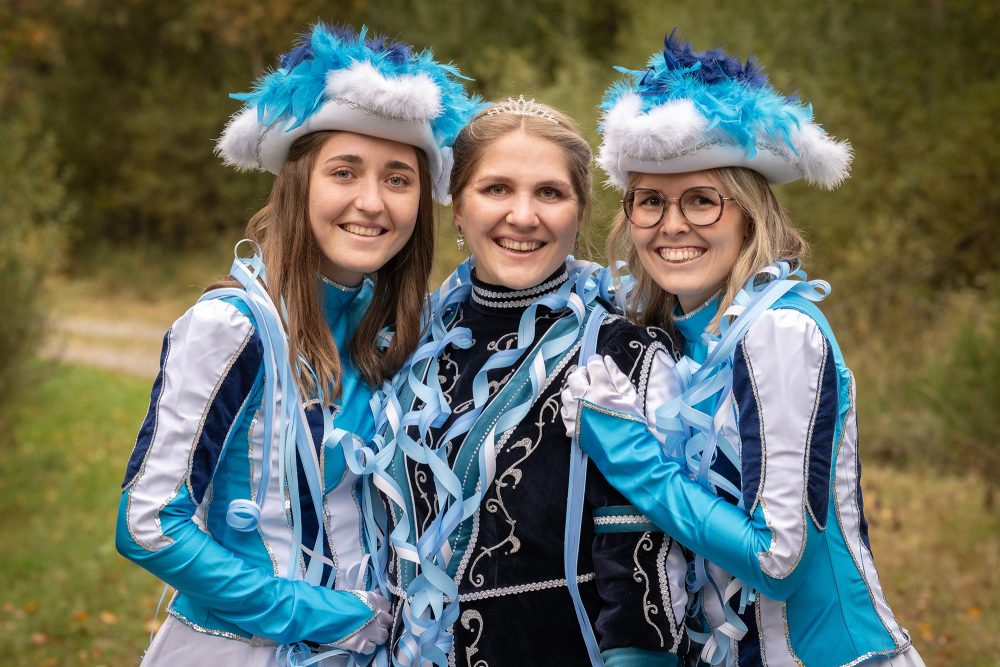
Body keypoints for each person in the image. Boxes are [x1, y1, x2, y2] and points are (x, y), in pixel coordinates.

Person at [115, 23, 482, 666]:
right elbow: (148, 526)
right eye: (345, 172)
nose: (371, 202)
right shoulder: (231, 327)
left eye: (398, 179)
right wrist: (321, 615)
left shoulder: (395, 334)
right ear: (299, 182)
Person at [560, 30, 924, 666]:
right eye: (650, 202)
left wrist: (630, 457)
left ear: (749, 214)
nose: (673, 225)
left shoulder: (778, 333)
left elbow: (776, 559)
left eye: (703, 200)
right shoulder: (688, 334)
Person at [373, 97, 691, 667]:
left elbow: (642, 573)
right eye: (496, 189)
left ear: (578, 209)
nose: (523, 216)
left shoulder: (623, 351)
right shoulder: (408, 339)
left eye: (549, 192)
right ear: (458, 208)